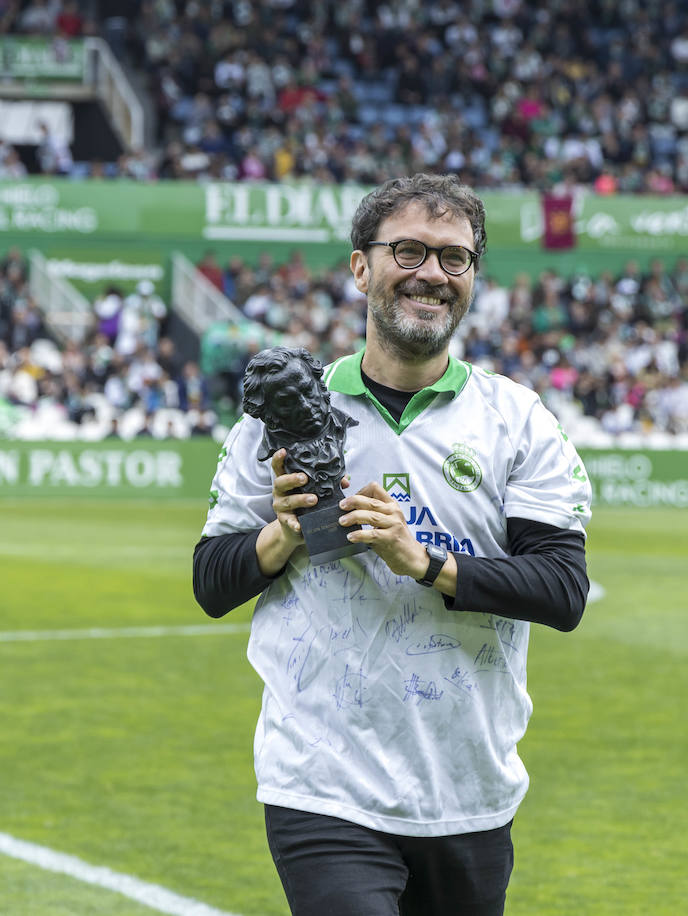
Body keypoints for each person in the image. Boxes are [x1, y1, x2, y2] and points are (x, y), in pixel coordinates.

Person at [192, 173, 592, 916]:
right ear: (361, 267)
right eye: (408, 252)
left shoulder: (517, 420)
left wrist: (428, 564)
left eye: (454, 258)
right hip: (321, 780)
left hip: (468, 788)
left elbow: (563, 591)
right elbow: (211, 581)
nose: (432, 274)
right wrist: (280, 535)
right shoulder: (284, 413)